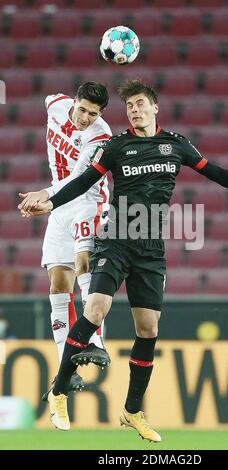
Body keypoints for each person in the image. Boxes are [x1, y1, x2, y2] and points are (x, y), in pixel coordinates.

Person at [18, 79, 228, 441]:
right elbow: (81, 183)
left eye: (141, 104)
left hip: (151, 248)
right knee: (95, 310)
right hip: (115, 240)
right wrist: (50, 202)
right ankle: (60, 391)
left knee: (149, 330)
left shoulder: (175, 145)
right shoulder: (115, 145)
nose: (135, 110)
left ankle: (132, 412)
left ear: (154, 107)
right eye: (129, 107)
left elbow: (216, 172)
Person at [19, 82, 112, 397]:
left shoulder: (100, 135)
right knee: (58, 284)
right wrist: (50, 199)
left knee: (83, 262)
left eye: (93, 113)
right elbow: (47, 98)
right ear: (74, 101)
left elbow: (78, 179)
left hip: (88, 201)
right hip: (59, 204)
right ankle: (65, 368)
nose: (85, 117)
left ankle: (96, 342)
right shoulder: (54, 104)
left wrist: (45, 195)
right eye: (83, 109)